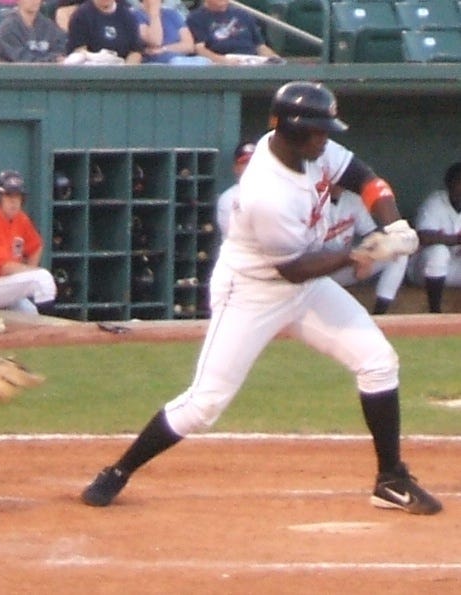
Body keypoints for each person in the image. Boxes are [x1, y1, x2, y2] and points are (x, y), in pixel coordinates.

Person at [81, 81, 442, 516]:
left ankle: (390, 479)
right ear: (292, 131)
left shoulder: (311, 149)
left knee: (379, 361)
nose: (325, 138)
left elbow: (364, 178)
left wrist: (394, 224)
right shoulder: (266, 193)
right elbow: (291, 267)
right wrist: (362, 252)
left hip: (305, 289)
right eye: (317, 130)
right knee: (205, 403)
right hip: (252, 292)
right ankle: (118, 471)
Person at [0, 170, 57, 315]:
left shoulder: (21, 219)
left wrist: (29, 270)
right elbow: (3, 268)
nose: (14, 201)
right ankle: (54, 332)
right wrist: (31, 272)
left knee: (31, 314)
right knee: (42, 278)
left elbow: (36, 246)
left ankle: (45, 334)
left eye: (18, 196)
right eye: (9, 196)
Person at [326, 184, 408, 315]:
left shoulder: (353, 200)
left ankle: (380, 316)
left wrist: (368, 256)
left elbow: (371, 234)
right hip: (319, 272)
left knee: (397, 252)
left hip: (345, 267)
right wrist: (354, 257)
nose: (339, 182)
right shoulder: (310, 202)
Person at [406, 162, 461, 313]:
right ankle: (434, 312)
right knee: (438, 251)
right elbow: (423, 237)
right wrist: (456, 240)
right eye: (459, 183)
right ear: (449, 184)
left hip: (453, 268)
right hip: (423, 270)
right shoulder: (435, 202)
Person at [186, 0, 282, 65]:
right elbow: (199, 49)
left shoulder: (243, 14)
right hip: (221, 67)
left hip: (252, 63)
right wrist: (223, 61)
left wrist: (273, 59)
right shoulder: (196, 18)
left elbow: (260, 46)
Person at [0, 0, 67, 63]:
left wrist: (56, 59)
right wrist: (52, 60)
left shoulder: (49, 26)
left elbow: (60, 50)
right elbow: (21, 59)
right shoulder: (8, 27)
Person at [134, 0, 211, 65]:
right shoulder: (136, 16)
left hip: (180, 61)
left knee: (205, 62)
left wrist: (164, 49)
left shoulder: (172, 14)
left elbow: (189, 46)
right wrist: (154, 14)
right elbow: (155, 41)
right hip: (155, 64)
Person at [66, 0, 143, 64]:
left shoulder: (128, 16)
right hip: (91, 73)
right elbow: (78, 50)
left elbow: (135, 51)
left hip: (121, 72)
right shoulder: (81, 15)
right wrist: (97, 58)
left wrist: (124, 73)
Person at [216, 140, 255, 239]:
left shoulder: (274, 194)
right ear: (236, 167)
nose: (250, 167)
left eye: (254, 162)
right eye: (245, 163)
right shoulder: (228, 198)